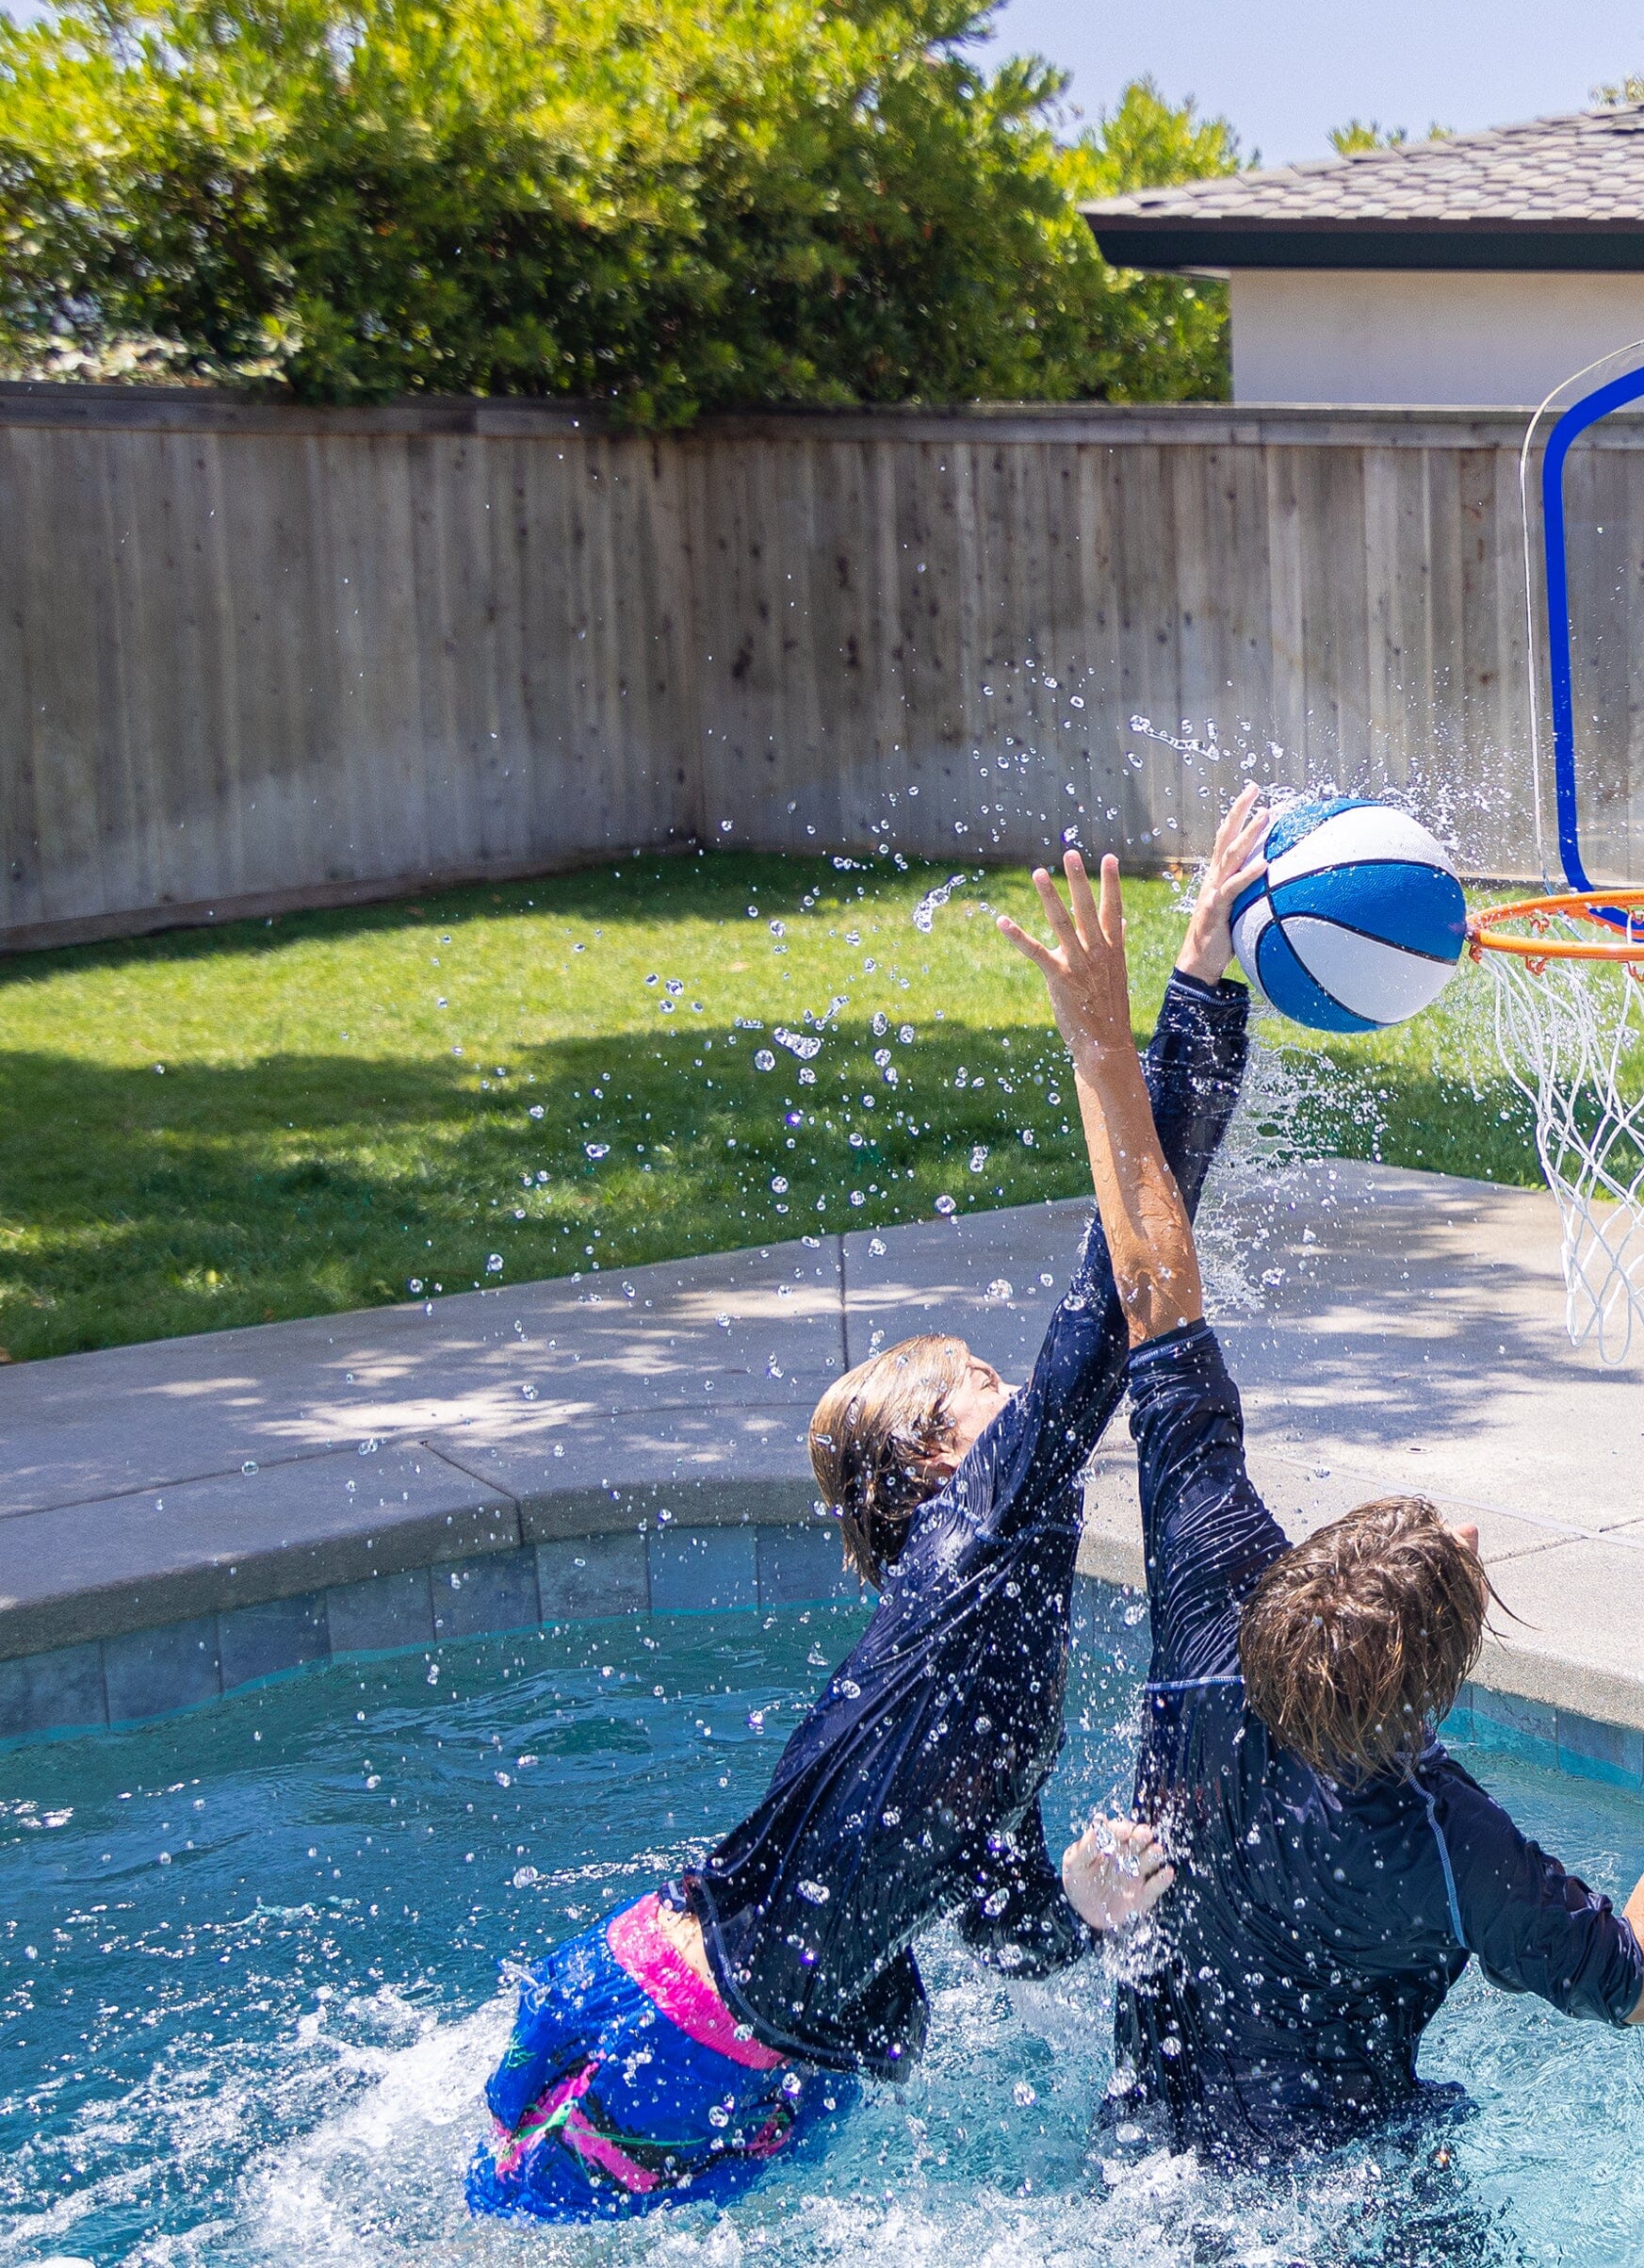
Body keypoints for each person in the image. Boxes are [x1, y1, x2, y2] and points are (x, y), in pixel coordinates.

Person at [466, 791, 1273, 2221]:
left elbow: (1008, 1928)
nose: (1016, 1401)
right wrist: (1192, 995)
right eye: (978, 1388)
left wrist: (1084, 1896)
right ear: (932, 1467)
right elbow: (1116, 1288)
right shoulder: (977, 1544)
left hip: (699, 2015)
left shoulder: (970, 1631)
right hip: (691, 2037)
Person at [999, 829, 1644, 2162]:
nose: (1467, 1532)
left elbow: (1150, 1285)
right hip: (1351, 2206)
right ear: (1429, 1700)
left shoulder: (1209, 1611)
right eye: (1458, 1566)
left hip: (1151, 2157)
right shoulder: (1441, 1838)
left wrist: (1114, 1033)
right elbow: (1642, 1981)